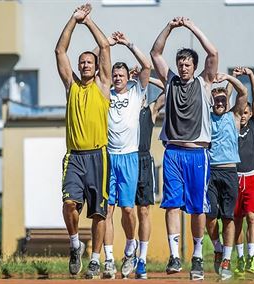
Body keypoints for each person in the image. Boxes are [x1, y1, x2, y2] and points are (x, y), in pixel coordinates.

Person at [150, 16, 218, 281]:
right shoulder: (170, 82)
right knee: (172, 205)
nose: (183, 67)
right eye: (180, 63)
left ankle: (198, 256)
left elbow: (212, 52)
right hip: (173, 153)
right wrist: (169, 27)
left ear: (194, 66)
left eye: (187, 63)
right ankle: (174, 255)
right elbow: (155, 52)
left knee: (198, 208)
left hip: (197, 153)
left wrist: (191, 27)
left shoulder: (203, 83)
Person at [55, 3, 111, 279]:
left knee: (100, 214)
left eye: (90, 61)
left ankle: (96, 259)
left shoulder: (103, 86)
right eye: (82, 62)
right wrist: (73, 20)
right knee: (69, 205)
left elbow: (105, 47)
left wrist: (88, 21)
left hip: (98, 156)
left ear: (96, 65)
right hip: (74, 156)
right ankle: (76, 245)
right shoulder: (72, 86)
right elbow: (60, 51)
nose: (86, 65)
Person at [103, 32, 151, 279]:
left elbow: (147, 65)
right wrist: (106, 45)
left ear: (127, 77)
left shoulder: (136, 91)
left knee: (128, 210)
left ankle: (130, 247)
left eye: (122, 75)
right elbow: (96, 64)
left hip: (130, 157)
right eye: (115, 75)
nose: (118, 78)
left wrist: (128, 44)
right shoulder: (106, 93)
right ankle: (109, 259)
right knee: (107, 210)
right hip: (109, 157)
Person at [206, 73, 247, 281]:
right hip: (210, 171)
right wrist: (212, 83)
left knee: (229, 217)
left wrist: (230, 78)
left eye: (223, 99)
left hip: (230, 171)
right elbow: (202, 94)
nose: (220, 102)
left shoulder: (235, 116)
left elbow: (243, 92)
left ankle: (227, 261)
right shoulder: (207, 116)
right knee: (210, 216)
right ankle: (217, 248)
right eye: (217, 100)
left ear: (227, 101)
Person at [228, 67, 254, 278]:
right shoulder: (231, 124)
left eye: (247, 113)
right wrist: (233, 79)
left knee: (251, 216)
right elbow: (226, 99)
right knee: (236, 219)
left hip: (252, 176)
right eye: (242, 112)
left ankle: (251, 257)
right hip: (233, 177)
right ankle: (239, 258)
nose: (244, 116)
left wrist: (250, 76)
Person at [134, 76, 165, 279]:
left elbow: (168, 89)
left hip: (144, 161)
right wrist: (128, 79)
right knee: (122, 210)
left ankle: (142, 259)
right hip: (123, 160)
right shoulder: (119, 108)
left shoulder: (150, 110)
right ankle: (126, 252)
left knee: (144, 211)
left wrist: (146, 78)